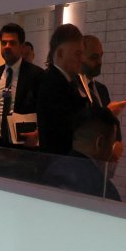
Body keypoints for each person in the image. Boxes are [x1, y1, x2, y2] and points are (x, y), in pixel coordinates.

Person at [0, 23, 45, 146]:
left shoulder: (36, 75)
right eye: (4, 43)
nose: (7, 47)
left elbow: (47, 112)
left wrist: (38, 134)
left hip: (24, 145)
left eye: (12, 43)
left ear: (21, 47)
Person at [43, 107, 122, 200]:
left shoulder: (52, 170)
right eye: (111, 145)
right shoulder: (104, 190)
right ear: (100, 142)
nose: (113, 154)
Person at [35, 24, 87, 156]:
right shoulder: (52, 85)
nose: (82, 59)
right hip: (59, 164)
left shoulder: (68, 82)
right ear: (60, 53)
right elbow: (67, 129)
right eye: (77, 53)